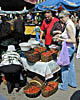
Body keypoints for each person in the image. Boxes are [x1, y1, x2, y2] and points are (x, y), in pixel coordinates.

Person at [55, 10, 77, 90]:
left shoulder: (68, 25)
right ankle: (72, 83)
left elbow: (73, 40)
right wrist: (61, 35)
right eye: (60, 18)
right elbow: (68, 35)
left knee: (64, 67)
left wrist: (60, 39)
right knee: (71, 66)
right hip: (71, 48)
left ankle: (64, 86)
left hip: (68, 48)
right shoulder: (70, 23)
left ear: (67, 16)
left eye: (62, 17)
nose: (61, 19)